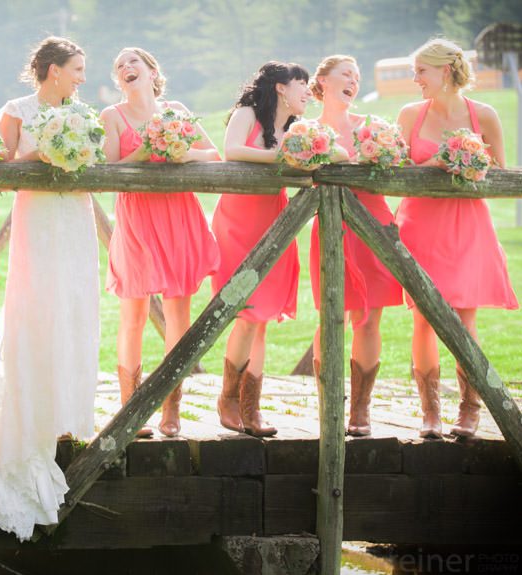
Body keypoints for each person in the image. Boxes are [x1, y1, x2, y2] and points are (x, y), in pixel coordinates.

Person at [0, 36, 99, 541]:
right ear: (52, 71)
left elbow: (94, 164)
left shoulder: (84, 113)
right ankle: (31, 414)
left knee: (73, 306)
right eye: (77, 69)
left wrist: (74, 161)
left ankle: (65, 410)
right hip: (38, 216)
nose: (82, 78)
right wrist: (43, 159)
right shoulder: (18, 109)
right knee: (38, 306)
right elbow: (2, 168)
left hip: (75, 213)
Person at [396, 39, 517, 439]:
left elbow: (500, 172)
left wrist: (473, 162)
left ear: (445, 70)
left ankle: (469, 409)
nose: (416, 80)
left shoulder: (485, 115)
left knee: (465, 318)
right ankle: (429, 411)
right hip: (420, 226)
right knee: (425, 319)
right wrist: (435, 162)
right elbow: (394, 169)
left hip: (467, 227)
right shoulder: (409, 114)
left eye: (421, 72)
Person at [102, 47, 220, 438]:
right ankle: (131, 408)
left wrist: (184, 155)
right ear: (119, 81)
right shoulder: (112, 117)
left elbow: (213, 155)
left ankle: (171, 405)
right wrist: (146, 150)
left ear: (153, 71)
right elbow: (109, 169)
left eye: (133, 61)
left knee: (177, 314)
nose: (125, 68)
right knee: (133, 314)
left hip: (177, 215)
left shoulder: (177, 111)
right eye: (120, 66)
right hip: (136, 218)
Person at [212, 62, 310, 437]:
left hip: (274, 219)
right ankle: (228, 399)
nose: (307, 91)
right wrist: (282, 158)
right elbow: (231, 150)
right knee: (247, 313)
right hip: (238, 221)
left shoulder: (296, 131)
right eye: (302, 83)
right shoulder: (247, 114)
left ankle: (252, 409)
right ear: (282, 88)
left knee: (263, 319)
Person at [307, 55, 403, 437]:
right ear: (323, 81)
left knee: (370, 317)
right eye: (346, 74)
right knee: (331, 317)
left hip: (374, 224)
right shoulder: (305, 131)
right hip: (330, 228)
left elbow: (396, 168)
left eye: (358, 76)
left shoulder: (373, 129)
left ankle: (361, 408)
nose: (354, 80)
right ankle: (329, 404)